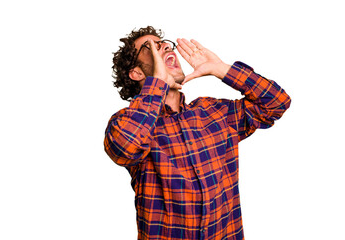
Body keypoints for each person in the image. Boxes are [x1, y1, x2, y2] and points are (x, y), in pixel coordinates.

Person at [104, 26, 291, 240]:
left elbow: (276, 103)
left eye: (164, 43)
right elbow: (124, 148)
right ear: (136, 73)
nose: (165, 45)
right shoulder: (127, 122)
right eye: (151, 48)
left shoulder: (214, 113)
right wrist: (157, 85)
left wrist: (221, 69)